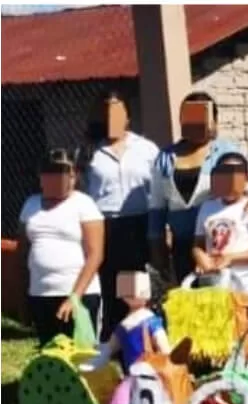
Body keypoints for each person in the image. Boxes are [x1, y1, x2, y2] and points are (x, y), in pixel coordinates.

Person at [149, 91, 248, 283]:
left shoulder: (227, 151)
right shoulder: (164, 159)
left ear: (214, 121)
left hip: (219, 248)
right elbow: (157, 209)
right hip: (182, 248)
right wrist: (157, 252)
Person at [81, 90, 159, 339]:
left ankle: (141, 343)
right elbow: (82, 192)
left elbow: (157, 190)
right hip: (106, 227)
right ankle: (111, 346)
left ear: (127, 116)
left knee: (137, 290)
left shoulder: (146, 148)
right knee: (111, 289)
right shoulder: (89, 152)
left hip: (140, 225)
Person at [19, 149, 105, 346]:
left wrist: (74, 297)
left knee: (81, 357)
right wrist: (22, 297)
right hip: (40, 293)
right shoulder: (30, 205)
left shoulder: (84, 204)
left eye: (66, 174)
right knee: (50, 354)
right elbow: (22, 253)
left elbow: (95, 255)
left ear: (74, 176)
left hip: (79, 295)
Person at [192, 152, 248, 292]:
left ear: (247, 180)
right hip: (215, 286)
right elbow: (199, 244)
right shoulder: (207, 207)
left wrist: (231, 258)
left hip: (247, 285)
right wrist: (199, 256)